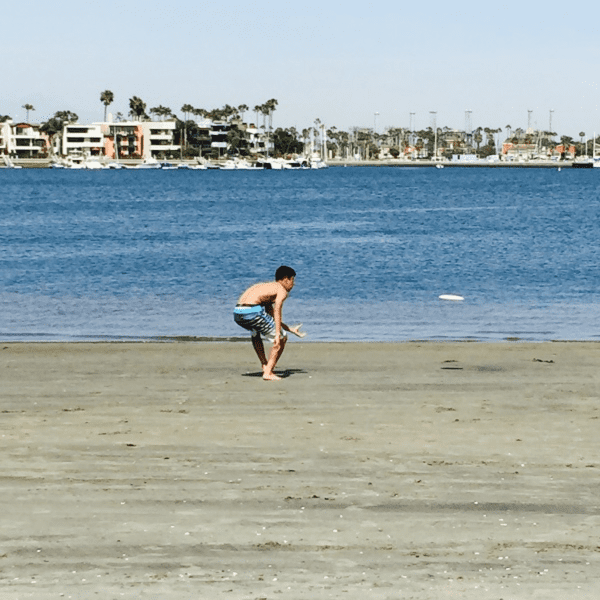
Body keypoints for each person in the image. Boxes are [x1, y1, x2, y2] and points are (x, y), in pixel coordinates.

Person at [233, 266, 305, 381]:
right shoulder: (281, 290)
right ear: (286, 279)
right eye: (293, 280)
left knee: (256, 332)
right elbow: (277, 310)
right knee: (282, 338)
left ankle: (265, 365)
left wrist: (289, 329)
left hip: (238, 313)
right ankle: (268, 373)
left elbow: (270, 316)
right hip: (252, 312)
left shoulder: (267, 288)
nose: (293, 284)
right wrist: (278, 333)